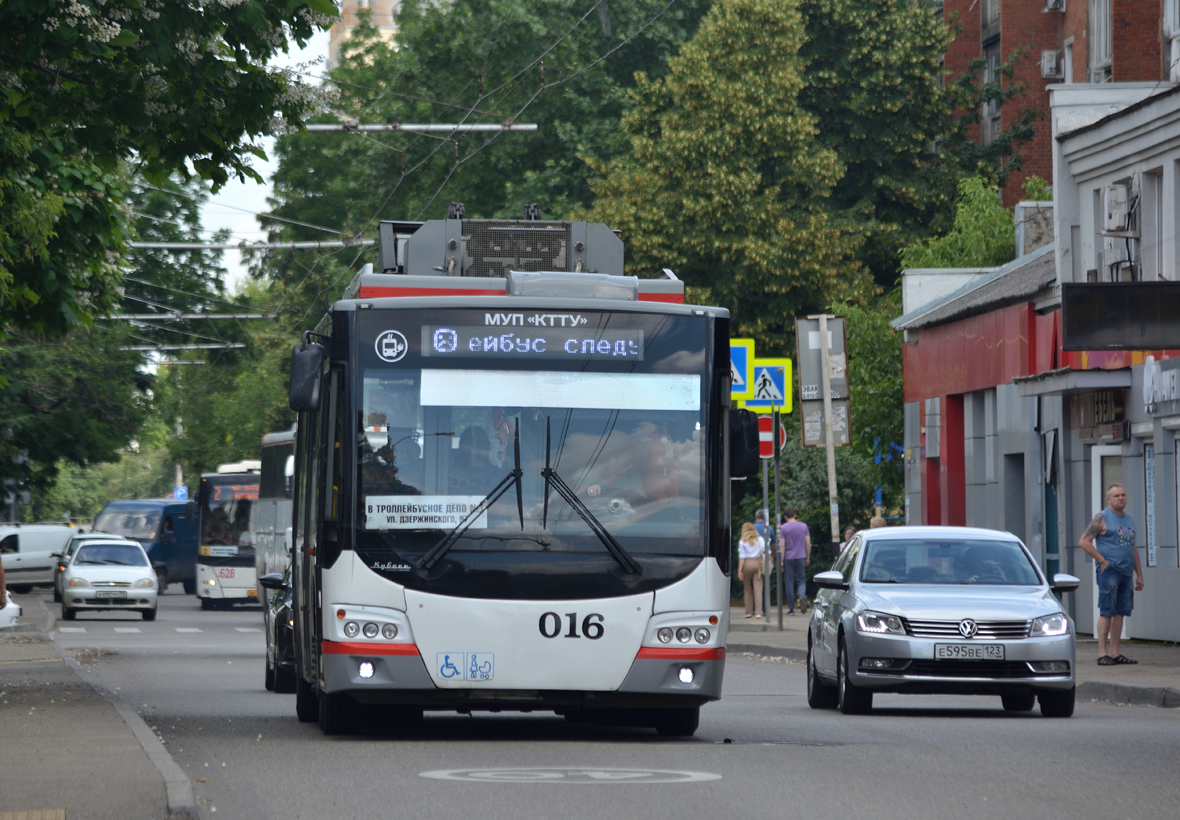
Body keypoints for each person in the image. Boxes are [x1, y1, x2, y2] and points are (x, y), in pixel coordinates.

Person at [1079, 483, 1144, 665]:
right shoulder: (1102, 518)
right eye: (1116, 496)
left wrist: (1139, 574)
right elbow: (1084, 542)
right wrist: (1102, 561)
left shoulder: (1129, 519)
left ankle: (1115, 653)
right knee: (1107, 610)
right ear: (1109, 499)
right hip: (1110, 571)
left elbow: (1133, 548)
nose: (1120, 498)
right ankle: (1102, 653)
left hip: (1126, 573)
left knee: (1120, 612)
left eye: (1123, 495)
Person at [779, 509, 811, 614]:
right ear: (795, 515)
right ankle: (802, 596)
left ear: (785, 517)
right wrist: (808, 557)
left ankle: (791, 609)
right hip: (801, 556)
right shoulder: (803, 526)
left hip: (788, 557)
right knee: (801, 580)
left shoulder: (783, 528)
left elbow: (782, 545)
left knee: (789, 582)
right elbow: (808, 544)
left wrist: (781, 560)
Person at [736, 522, 765, 619]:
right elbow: (765, 551)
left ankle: (748, 612)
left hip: (747, 564)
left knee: (747, 588)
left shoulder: (742, 541)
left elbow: (742, 557)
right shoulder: (760, 539)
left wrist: (740, 570)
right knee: (758, 589)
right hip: (758, 564)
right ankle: (758, 613)